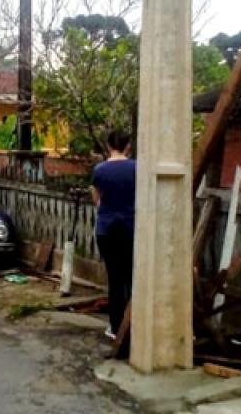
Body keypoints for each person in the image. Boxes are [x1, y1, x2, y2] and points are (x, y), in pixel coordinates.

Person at [91, 130, 136, 339]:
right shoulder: (137, 168)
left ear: (109, 146)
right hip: (130, 228)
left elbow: (97, 200)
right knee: (132, 278)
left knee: (115, 279)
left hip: (107, 230)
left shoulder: (100, 170)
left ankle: (116, 327)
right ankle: (133, 324)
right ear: (128, 146)